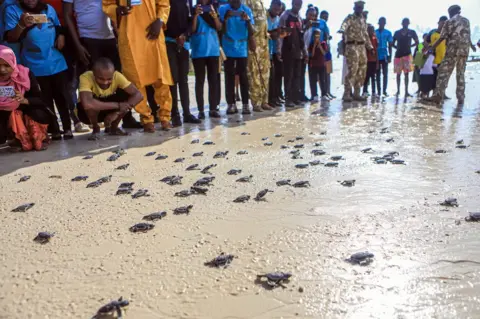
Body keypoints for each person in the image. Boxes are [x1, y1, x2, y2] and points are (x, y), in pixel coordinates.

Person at [4, 0, 75, 140]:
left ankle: (67, 128)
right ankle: (54, 129)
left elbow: (58, 26)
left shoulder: (48, 9)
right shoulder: (12, 11)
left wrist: (61, 35)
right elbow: (11, 38)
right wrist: (22, 25)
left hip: (56, 61)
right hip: (33, 65)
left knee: (62, 97)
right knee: (44, 99)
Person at [102, 0, 173, 132]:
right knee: (136, 81)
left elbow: (164, 4)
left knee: (161, 78)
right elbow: (107, 5)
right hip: (129, 36)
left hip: (153, 33)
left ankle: (165, 117)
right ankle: (146, 118)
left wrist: (160, 21)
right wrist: (117, 10)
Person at [0, 45, 53, 151]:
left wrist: (23, 100)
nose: (2, 70)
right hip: (4, 114)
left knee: (37, 114)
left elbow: (41, 100)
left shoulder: (25, 74)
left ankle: (39, 137)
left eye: (7, 65)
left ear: (13, 62)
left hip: (28, 110)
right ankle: (15, 139)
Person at [78, 58, 143, 140]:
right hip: (86, 115)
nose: (105, 82)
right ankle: (95, 128)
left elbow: (138, 95)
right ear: (93, 74)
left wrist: (117, 112)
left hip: (109, 109)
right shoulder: (86, 77)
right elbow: (87, 104)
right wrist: (118, 105)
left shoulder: (117, 76)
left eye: (109, 79)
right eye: (101, 78)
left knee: (127, 96)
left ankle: (114, 128)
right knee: (90, 103)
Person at [426, 5, 476, 105]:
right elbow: (467, 36)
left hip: (452, 51)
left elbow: (441, 38)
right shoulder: (466, 21)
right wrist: (471, 46)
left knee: (443, 73)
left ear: (450, 12)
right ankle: (460, 97)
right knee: (460, 74)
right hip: (464, 51)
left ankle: (438, 96)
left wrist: (431, 48)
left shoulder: (449, 22)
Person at [165, 0, 201, 127]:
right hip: (169, 42)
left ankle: (187, 113)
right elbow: (164, 17)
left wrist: (184, 35)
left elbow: (190, 21)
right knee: (173, 80)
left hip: (184, 43)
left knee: (183, 80)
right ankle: (174, 114)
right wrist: (176, 37)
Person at [218, 0, 255, 115]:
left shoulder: (246, 10)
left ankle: (245, 104)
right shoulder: (223, 9)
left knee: (243, 75)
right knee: (229, 75)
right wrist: (225, 18)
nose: (234, 2)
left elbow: (252, 32)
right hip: (228, 45)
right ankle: (231, 104)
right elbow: (220, 30)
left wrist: (248, 21)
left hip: (241, 47)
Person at [191, 0, 222, 119]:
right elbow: (192, 30)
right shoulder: (193, 9)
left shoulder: (214, 8)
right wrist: (195, 15)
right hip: (198, 50)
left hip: (213, 50)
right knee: (200, 81)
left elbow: (219, 27)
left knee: (213, 81)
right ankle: (200, 110)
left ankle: (213, 109)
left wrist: (214, 16)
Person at [338, 0, 373, 102]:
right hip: (352, 46)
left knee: (362, 71)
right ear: (354, 8)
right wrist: (342, 30)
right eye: (358, 7)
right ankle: (347, 93)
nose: (360, 9)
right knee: (352, 70)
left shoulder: (362, 19)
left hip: (362, 47)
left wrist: (370, 47)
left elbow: (366, 34)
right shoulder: (350, 17)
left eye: (361, 8)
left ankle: (357, 93)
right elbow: (344, 25)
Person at [245, 0, 272, 112]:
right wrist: (251, 38)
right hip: (254, 42)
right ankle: (256, 103)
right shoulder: (247, 1)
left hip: (264, 43)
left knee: (265, 73)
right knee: (254, 72)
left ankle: (264, 101)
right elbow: (246, 20)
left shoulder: (261, 2)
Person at [278, 0, 305, 107]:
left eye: (300, 5)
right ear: (292, 3)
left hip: (298, 51)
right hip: (287, 50)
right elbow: (281, 34)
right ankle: (288, 98)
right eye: (296, 4)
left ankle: (295, 97)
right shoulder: (285, 16)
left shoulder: (300, 17)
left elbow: (301, 35)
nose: (298, 7)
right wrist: (279, 50)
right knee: (288, 76)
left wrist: (305, 51)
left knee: (297, 76)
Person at [392, 18, 419, 97]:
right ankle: (398, 91)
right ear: (402, 23)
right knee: (398, 74)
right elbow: (392, 43)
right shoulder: (397, 33)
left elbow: (417, 42)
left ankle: (406, 92)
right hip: (398, 55)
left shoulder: (412, 32)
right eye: (404, 23)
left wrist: (410, 46)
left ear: (408, 23)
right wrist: (398, 48)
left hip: (407, 55)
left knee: (406, 74)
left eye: (407, 23)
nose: (405, 24)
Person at [267, 0, 282, 107]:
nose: (277, 11)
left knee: (276, 75)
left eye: (278, 10)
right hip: (265, 50)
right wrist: (272, 34)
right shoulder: (264, 16)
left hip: (274, 50)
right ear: (271, 6)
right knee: (269, 76)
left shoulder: (278, 19)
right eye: (275, 9)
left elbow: (278, 35)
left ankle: (275, 97)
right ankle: (269, 99)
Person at [429, 16, 448, 98]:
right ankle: (433, 93)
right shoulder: (433, 32)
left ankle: (442, 93)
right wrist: (430, 50)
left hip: (444, 59)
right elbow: (425, 42)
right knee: (434, 78)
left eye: (445, 23)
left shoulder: (447, 33)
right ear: (439, 22)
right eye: (442, 23)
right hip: (434, 59)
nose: (443, 24)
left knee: (443, 78)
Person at [303, 5, 318, 101]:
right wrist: (306, 26)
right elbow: (300, 36)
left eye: (313, 15)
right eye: (310, 15)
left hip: (305, 51)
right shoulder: (303, 23)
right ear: (306, 14)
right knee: (297, 75)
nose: (311, 17)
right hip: (298, 51)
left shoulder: (312, 27)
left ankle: (302, 94)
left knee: (302, 74)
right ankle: (297, 95)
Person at [375, 17, 392, 96]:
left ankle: (384, 91)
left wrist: (390, 56)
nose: (382, 24)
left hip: (385, 55)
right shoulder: (375, 32)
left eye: (383, 22)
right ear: (379, 23)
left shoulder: (388, 33)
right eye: (380, 22)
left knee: (385, 74)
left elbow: (390, 45)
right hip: (376, 56)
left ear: (385, 23)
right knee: (377, 74)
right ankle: (378, 91)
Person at [308, 29, 327, 101]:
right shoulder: (311, 44)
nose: (317, 37)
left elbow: (324, 53)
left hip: (321, 64)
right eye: (316, 35)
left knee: (322, 80)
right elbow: (312, 55)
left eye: (318, 35)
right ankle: (314, 95)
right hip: (314, 64)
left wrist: (319, 45)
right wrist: (315, 46)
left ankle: (324, 94)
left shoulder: (323, 43)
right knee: (313, 80)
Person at [320, 10, 335, 99]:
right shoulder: (319, 24)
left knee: (328, 71)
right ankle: (324, 92)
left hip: (327, 50)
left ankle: (328, 91)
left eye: (327, 17)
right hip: (322, 50)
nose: (325, 18)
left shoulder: (326, 26)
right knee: (322, 73)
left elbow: (327, 37)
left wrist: (329, 37)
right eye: (324, 16)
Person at [363, 24, 378, 97]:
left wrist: (377, 61)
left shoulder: (375, 39)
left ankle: (374, 92)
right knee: (366, 77)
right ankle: (365, 91)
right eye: (369, 30)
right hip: (366, 61)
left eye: (372, 30)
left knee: (373, 77)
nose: (371, 31)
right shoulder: (365, 39)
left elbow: (376, 50)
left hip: (373, 61)